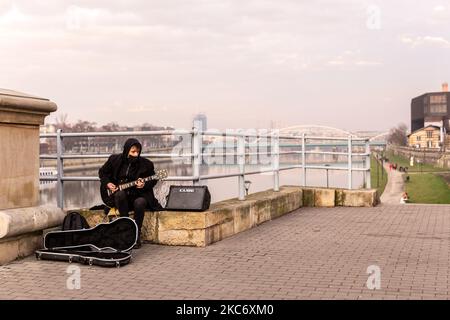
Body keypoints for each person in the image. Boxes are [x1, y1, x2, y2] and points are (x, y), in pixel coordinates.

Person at [99, 138, 162, 249]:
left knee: (140, 202)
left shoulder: (146, 164)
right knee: (120, 194)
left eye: (138, 152)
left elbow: (153, 180)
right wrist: (108, 183)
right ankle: (126, 228)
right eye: (133, 152)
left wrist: (144, 184)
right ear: (127, 150)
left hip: (137, 195)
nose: (136, 154)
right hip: (120, 198)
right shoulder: (114, 160)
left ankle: (136, 233)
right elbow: (102, 173)